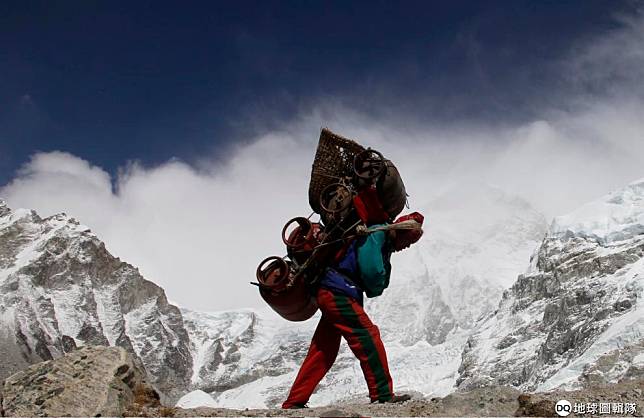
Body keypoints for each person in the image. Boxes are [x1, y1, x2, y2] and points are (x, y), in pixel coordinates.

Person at [282, 212, 425, 409]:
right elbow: (372, 273)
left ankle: (294, 401)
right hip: (339, 292)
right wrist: (378, 283)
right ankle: (382, 394)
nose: (407, 245)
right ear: (402, 232)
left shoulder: (379, 237)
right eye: (409, 240)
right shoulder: (377, 235)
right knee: (367, 337)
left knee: (323, 349)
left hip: (331, 289)